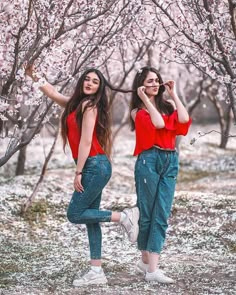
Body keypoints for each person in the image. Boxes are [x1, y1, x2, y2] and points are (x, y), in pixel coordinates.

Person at [25, 65, 139, 286]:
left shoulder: (90, 106)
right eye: (87, 79)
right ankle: (96, 271)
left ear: (99, 88)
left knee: (75, 214)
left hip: (94, 166)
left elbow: (86, 141)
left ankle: (124, 217)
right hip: (95, 165)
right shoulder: (75, 104)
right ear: (81, 82)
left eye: (95, 82)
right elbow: (52, 92)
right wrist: (32, 73)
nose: (89, 83)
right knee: (90, 218)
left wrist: (78, 171)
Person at [130, 66, 191, 284]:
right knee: (147, 214)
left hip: (170, 160)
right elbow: (158, 123)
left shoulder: (169, 105)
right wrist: (144, 99)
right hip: (149, 160)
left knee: (161, 213)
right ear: (140, 85)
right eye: (149, 82)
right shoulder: (137, 112)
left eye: (157, 80)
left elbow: (183, 121)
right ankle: (147, 262)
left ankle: (150, 267)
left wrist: (174, 93)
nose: (155, 84)